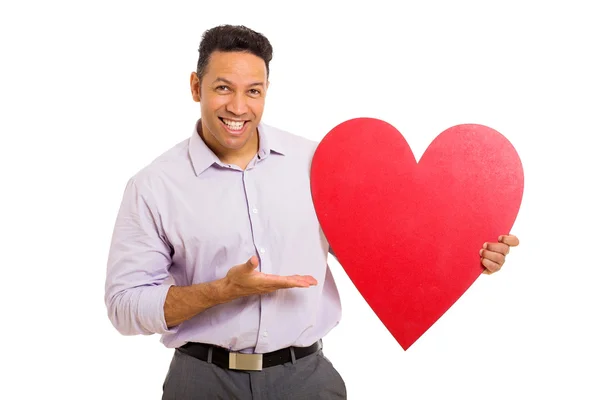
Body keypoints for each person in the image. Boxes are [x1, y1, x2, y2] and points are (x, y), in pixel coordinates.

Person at [104, 24, 520, 399]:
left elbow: (379, 250)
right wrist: (221, 292)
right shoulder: (153, 186)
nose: (238, 107)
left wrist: (467, 251)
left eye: (253, 91)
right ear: (196, 86)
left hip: (305, 380)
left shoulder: (316, 164)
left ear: (267, 89)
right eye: (223, 88)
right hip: (202, 382)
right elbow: (124, 307)